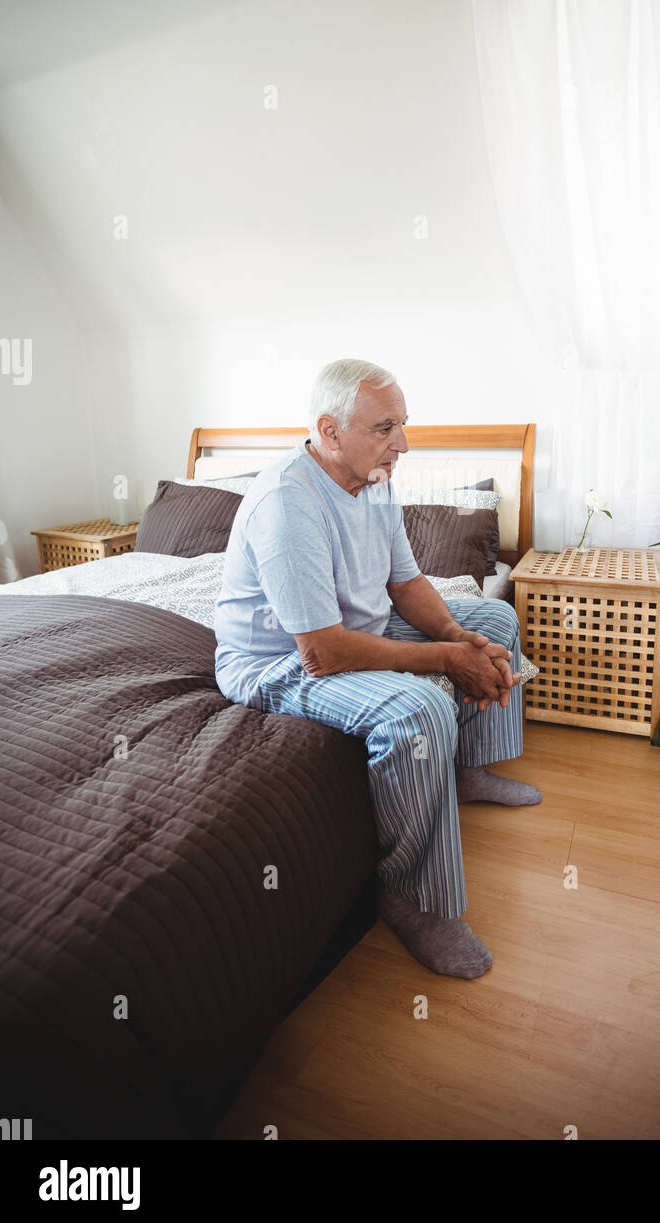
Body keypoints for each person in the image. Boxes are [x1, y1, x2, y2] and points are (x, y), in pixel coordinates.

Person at [214, 358, 541, 979]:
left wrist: (455, 636)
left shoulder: (376, 478)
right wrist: (446, 661)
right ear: (329, 431)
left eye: (404, 424)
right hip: (279, 659)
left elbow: (406, 580)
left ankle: (467, 771)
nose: (403, 443)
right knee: (420, 710)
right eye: (385, 427)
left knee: (492, 623)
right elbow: (323, 654)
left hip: (349, 627)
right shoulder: (288, 502)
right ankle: (410, 896)